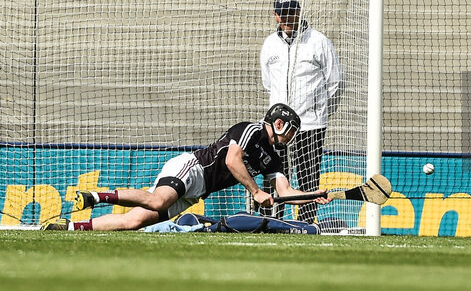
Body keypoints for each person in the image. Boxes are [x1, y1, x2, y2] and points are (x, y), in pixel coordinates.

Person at [41, 103, 327, 231]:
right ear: (279, 123)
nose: (293, 136)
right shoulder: (251, 130)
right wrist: (254, 191)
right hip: (192, 169)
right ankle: (95, 198)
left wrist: (311, 195)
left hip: (196, 193)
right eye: (292, 129)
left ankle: (69, 227)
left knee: (135, 222)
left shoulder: (274, 158)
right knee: (157, 200)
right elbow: (231, 160)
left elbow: (285, 190)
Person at [260, 0, 343, 223]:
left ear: (299, 12)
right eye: (283, 14)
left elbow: (335, 82)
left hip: (310, 123)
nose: (288, 18)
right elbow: (268, 83)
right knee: (274, 174)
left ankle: (305, 222)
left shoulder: (318, 41)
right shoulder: (269, 44)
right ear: (276, 16)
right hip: (276, 128)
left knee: (308, 176)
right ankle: (271, 220)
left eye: (292, 13)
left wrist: (320, 111)